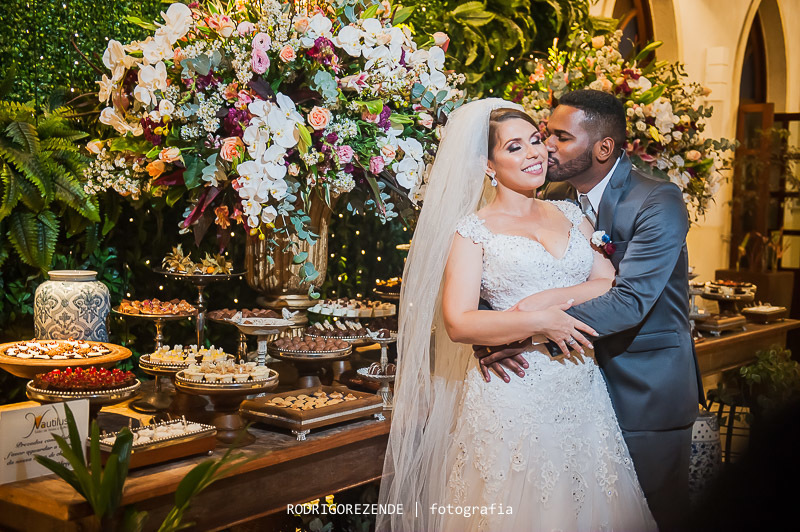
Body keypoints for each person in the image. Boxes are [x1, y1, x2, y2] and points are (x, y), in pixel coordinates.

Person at [377, 98, 656, 531]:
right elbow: (459, 321)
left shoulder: (569, 212)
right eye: (514, 148)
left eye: (535, 140)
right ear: (488, 166)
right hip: (512, 390)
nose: (534, 153)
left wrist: (547, 300)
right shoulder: (473, 230)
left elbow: (606, 281)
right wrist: (538, 323)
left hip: (579, 387)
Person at [477, 89, 705, 531]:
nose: (546, 147)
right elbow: (507, 267)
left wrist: (525, 335)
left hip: (644, 388)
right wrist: (494, 327)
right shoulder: (556, 197)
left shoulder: (659, 201)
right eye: (546, 135)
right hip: (570, 390)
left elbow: (631, 300)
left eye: (561, 138)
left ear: (603, 147)